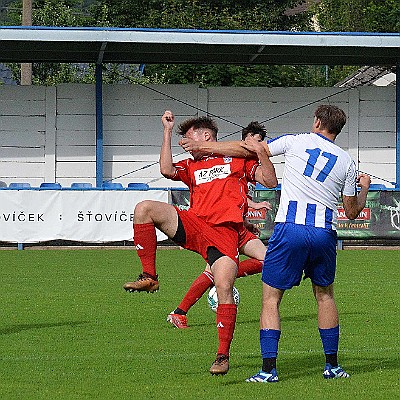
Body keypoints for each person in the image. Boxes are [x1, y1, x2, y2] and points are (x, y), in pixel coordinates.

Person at [179, 104, 371, 382]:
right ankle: (332, 366)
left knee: (271, 299)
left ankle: (268, 370)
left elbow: (251, 151)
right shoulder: (346, 162)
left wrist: (209, 149)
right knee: (325, 296)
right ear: (338, 130)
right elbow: (352, 212)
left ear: (317, 121)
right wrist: (362, 185)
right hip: (324, 233)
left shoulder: (295, 141)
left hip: (290, 229)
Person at [123, 110, 277, 375]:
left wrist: (261, 152)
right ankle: (150, 275)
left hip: (226, 231)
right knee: (143, 208)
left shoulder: (235, 160)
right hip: (195, 225)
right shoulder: (191, 165)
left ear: (205, 136)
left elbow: (270, 181)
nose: (184, 141)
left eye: (188, 136)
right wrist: (167, 131)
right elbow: (166, 169)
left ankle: (221, 356)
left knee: (226, 285)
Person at [167, 121, 272, 329]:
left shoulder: (245, 160)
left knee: (271, 260)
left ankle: (180, 311)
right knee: (216, 270)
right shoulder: (219, 159)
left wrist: (245, 221)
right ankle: (180, 312)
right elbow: (220, 195)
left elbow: (232, 195)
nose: (257, 145)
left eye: (260, 142)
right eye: (253, 141)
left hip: (237, 227)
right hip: (214, 228)